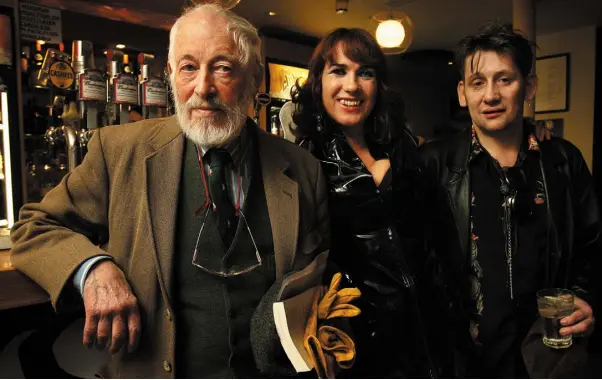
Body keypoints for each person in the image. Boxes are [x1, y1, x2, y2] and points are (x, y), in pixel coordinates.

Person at [10, 4, 332, 378]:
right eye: (189, 67)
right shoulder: (118, 152)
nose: (203, 88)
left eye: (223, 68)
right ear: (171, 74)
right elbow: (34, 227)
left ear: (254, 77)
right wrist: (94, 269)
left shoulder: (303, 169)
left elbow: (318, 275)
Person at [419, 22, 599, 378]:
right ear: (462, 92)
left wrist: (587, 298)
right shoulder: (434, 165)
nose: (490, 95)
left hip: (548, 361)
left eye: (504, 79)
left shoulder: (562, 161)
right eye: (478, 82)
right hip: (464, 364)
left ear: (529, 86)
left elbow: (593, 247)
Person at [291, 28, 447, 378]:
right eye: (339, 71)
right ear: (318, 82)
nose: (352, 85)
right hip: (361, 347)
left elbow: (433, 235)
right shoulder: (305, 163)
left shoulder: (402, 145)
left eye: (365, 72)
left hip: (430, 334)